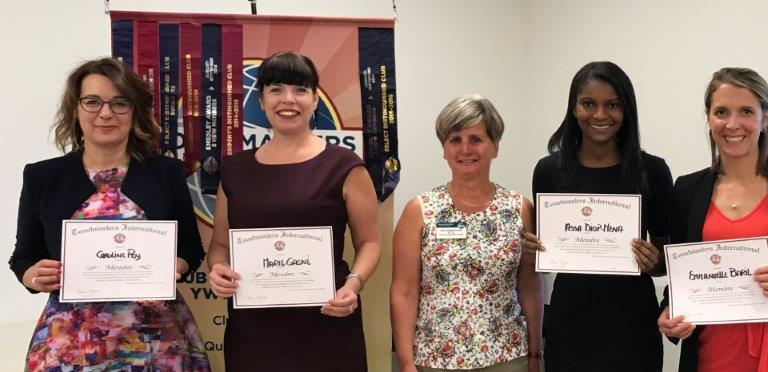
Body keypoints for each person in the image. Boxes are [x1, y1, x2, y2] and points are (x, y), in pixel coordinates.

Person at [8, 57, 210, 370]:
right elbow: (22, 258)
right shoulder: (42, 177)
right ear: (75, 109)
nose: (106, 113)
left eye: (119, 103)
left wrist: (174, 266)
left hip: (157, 342)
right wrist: (34, 275)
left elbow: (190, 249)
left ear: (135, 112)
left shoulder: (165, 172)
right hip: (72, 344)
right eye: (92, 102)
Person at [206, 52, 383, 371]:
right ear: (260, 100)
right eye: (276, 89)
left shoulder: (344, 166)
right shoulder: (233, 170)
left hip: (327, 322)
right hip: (254, 331)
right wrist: (218, 269)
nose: (288, 99)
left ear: (315, 99)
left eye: (300, 89)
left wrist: (352, 285)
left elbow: (370, 241)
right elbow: (219, 246)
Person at [657, 67, 768, 372]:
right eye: (721, 112)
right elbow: (683, 273)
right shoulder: (686, 190)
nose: (732, 124)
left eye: (746, 111)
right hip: (709, 357)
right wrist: (669, 311)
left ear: (765, 117)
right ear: (708, 117)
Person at [524, 61, 670, 371]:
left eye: (612, 105)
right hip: (570, 322)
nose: (600, 115)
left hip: (632, 326)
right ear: (574, 108)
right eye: (589, 104)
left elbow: (663, 263)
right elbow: (545, 252)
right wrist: (532, 249)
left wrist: (651, 259)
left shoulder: (652, 171)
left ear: (626, 110)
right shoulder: (548, 172)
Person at [390, 94, 543, 372]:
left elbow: (530, 286)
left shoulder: (519, 209)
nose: (465, 149)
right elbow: (403, 291)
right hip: (435, 358)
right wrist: (406, 363)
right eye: (455, 140)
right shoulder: (420, 210)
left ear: (495, 146)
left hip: (507, 356)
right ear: (444, 149)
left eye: (476, 139)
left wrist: (534, 354)